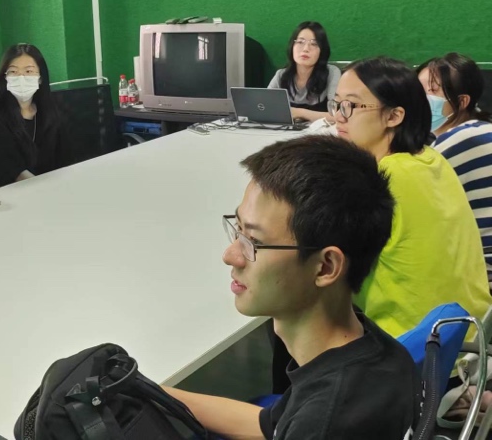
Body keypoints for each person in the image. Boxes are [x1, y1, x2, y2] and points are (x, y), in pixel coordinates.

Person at [166, 136, 419, 440]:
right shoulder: (370, 350)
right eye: (238, 229)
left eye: (254, 241)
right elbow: (269, 424)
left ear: (325, 267)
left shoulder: (325, 422)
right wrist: (146, 390)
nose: (230, 255)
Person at [330, 57, 491, 337]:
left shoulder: (379, 179)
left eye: (352, 105)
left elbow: (331, 270)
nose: (339, 116)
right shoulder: (430, 159)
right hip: (468, 334)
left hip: (411, 345)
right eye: (337, 103)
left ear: (394, 116)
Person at [417, 53, 492, 249]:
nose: (419, 100)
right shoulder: (482, 128)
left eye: (432, 91)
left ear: (462, 101)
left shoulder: (460, 141)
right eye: (417, 90)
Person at [0, 44, 71, 188]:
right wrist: (45, 189)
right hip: (10, 192)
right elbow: (13, 171)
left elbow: (64, 157)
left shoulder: (49, 110)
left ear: (40, 78)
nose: (21, 77)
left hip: (49, 187)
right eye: (13, 72)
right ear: (5, 77)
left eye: (28, 71)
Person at [267, 21, 341, 122]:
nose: (306, 49)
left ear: (322, 51)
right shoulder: (281, 75)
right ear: (292, 46)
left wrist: (299, 113)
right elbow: (265, 108)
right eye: (300, 42)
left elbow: (339, 115)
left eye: (314, 44)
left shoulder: (332, 73)